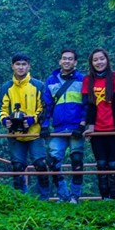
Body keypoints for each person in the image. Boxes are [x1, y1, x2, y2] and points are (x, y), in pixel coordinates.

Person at [0, 53, 49, 198]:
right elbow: (2, 109)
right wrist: (5, 121)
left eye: (24, 64)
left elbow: (44, 108)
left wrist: (32, 120)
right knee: (17, 167)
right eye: (18, 64)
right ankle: (21, 199)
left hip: (34, 132)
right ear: (12, 66)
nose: (21, 67)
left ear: (29, 66)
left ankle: (44, 198)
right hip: (15, 134)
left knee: (40, 164)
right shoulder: (6, 87)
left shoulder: (38, 85)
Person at [41, 49, 87, 203]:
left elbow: (87, 104)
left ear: (75, 62)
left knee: (77, 161)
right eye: (64, 59)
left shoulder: (82, 79)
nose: (67, 61)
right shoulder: (51, 80)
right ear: (60, 61)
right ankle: (63, 195)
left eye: (70, 59)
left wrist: (82, 124)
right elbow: (47, 105)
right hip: (59, 128)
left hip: (76, 127)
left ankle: (75, 196)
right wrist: (45, 126)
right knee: (53, 161)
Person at [82, 48, 115, 200]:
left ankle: (114, 198)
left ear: (107, 60)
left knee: (113, 165)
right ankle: (104, 199)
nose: (99, 62)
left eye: (101, 59)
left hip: (114, 128)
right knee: (101, 164)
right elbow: (90, 105)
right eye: (95, 60)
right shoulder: (89, 80)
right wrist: (90, 127)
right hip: (97, 130)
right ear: (91, 63)